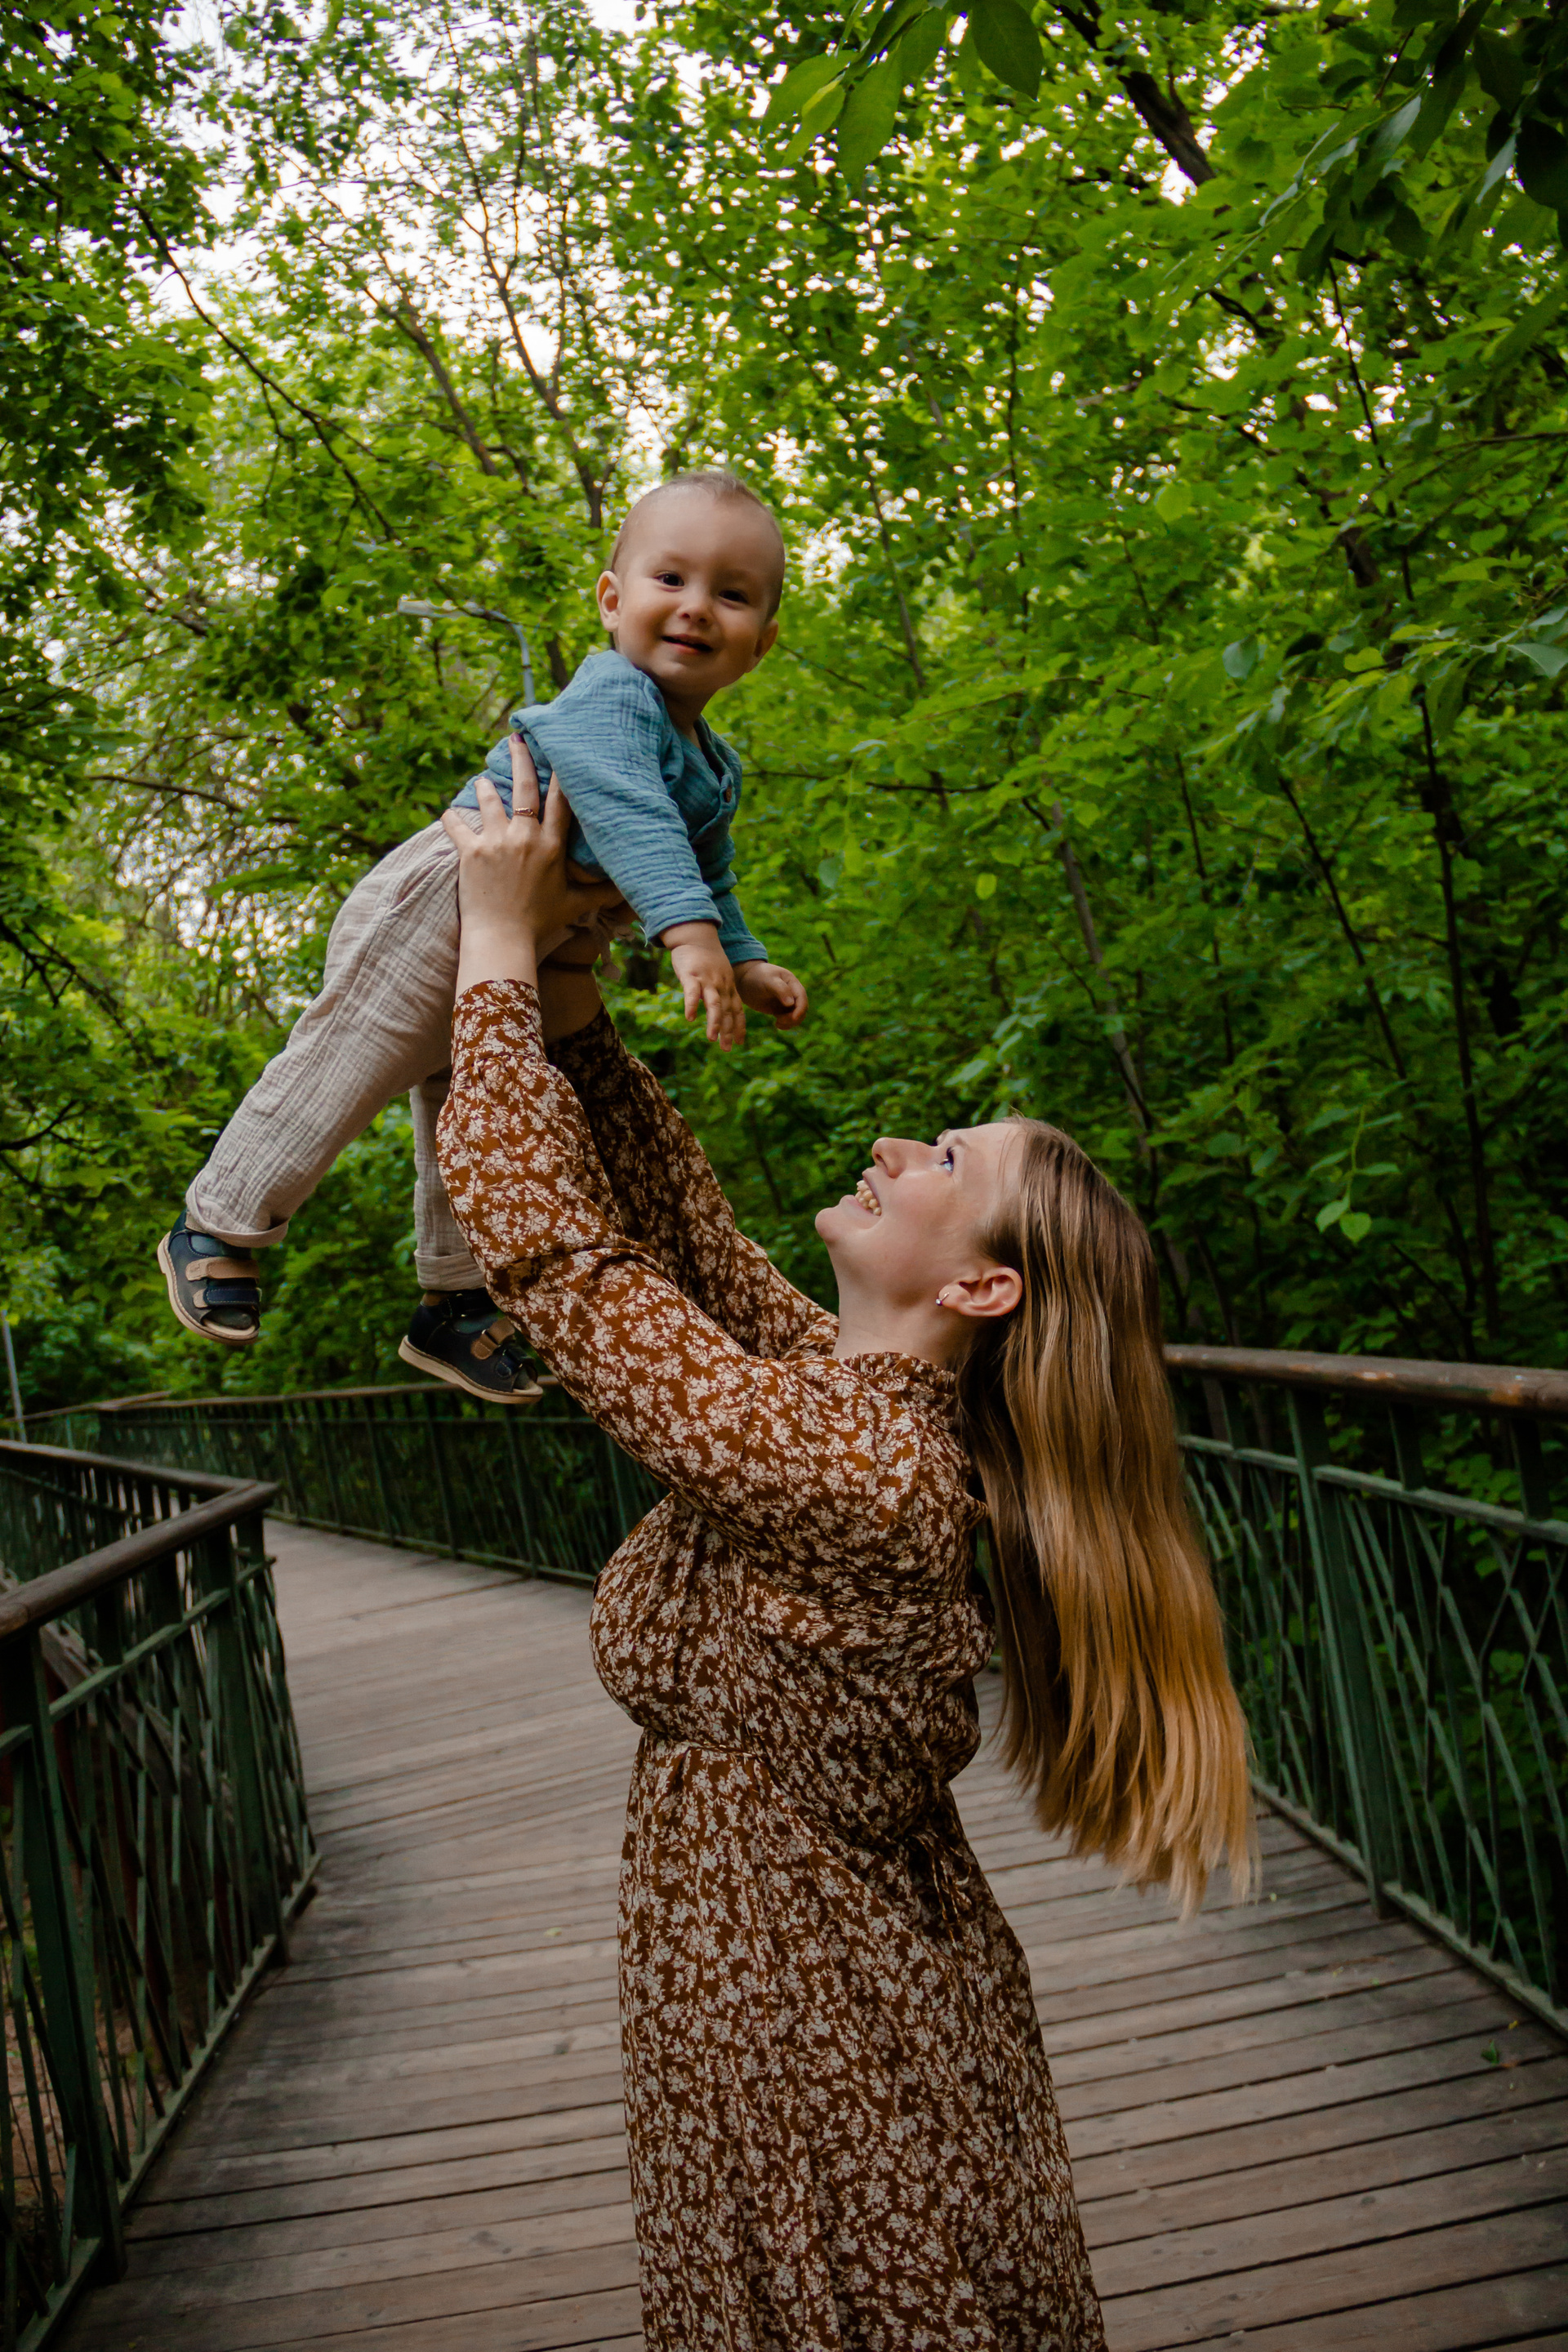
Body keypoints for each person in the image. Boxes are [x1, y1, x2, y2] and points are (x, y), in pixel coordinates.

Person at [432, 755, 1255, 2350]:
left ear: (984, 1290)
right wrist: (580, 1005)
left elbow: (565, 1267)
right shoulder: (846, 1396)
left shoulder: (860, 1470)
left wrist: (494, 950)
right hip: (791, 1979)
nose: (893, 1146)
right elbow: (686, 1242)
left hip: (810, 2026)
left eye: (944, 1162)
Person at [154, 470, 808, 1401]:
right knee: (350, 1058)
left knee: (477, 1107)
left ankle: (455, 1297)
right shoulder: (614, 695)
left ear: (762, 643)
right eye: (670, 579)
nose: (696, 606)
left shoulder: (713, 763)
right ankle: (219, 1220)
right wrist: (687, 936)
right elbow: (627, 803)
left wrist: (739, 958)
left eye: (731, 595)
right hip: (446, 896)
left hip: (524, 937)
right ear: (612, 600)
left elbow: (709, 868)